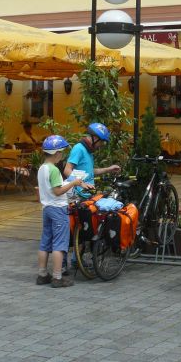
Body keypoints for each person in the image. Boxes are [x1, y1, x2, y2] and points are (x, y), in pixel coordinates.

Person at [36, 135, 92, 288]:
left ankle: (42, 275)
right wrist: (74, 182)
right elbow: (58, 191)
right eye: (61, 152)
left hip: (46, 209)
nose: (62, 156)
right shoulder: (54, 170)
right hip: (58, 209)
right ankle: (57, 277)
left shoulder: (42, 168)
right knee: (59, 244)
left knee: (45, 242)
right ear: (56, 153)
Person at [63, 122, 120, 193]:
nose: (102, 144)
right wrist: (82, 184)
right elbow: (67, 170)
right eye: (101, 141)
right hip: (78, 194)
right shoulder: (79, 148)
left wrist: (109, 169)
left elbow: (90, 171)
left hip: (88, 193)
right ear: (95, 138)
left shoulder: (88, 151)